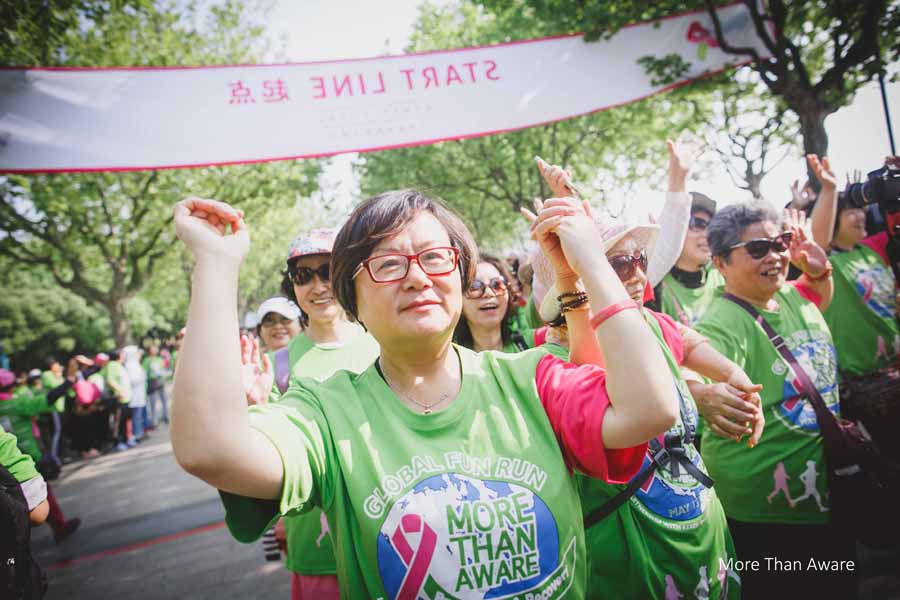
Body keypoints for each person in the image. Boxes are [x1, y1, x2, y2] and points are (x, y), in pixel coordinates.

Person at [172, 190, 679, 598]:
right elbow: (211, 448)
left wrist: (589, 261)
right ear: (353, 300)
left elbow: (649, 409)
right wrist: (216, 263)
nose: (417, 277)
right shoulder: (326, 411)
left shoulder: (531, 380)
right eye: (388, 265)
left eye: (435, 258)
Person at [526, 199, 762, 599]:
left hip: (704, 540)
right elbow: (607, 385)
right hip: (635, 558)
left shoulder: (649, 324)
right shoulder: (552, 367)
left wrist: (736, 378)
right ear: (581, 277)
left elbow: (685, 340)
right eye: (619, 264)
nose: (639, 273)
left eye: (639, 258)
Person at [695, 202, 853, 597]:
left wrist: (820, 269)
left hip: (825, 494)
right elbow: (689, 365)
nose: (776, 255)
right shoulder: (723, 323)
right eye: (758, 248)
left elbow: (818, 294)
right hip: (765, 513)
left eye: (780, 243)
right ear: (721, 263)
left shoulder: (791, 296)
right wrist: (701, 393)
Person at [250, 228, 380, 599]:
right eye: (303, 276)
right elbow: (269, 457)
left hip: (392, 531)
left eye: (327, 270)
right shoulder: (275, 365)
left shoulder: (385, 340)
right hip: (316, 542)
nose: (318, 285)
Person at [0, 367, 81, 542]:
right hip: (25, 457)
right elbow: (47, 399)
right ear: (12, 386)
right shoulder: (18, 403)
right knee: (42, 495)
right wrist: (68, 382)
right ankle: (60, 528)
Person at [651, 192, 724, 327]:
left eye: (712, 227)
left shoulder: (724, 279)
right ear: (675, 230)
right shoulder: (655, 287)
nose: (707, 234)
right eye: (698, 224)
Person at [453, 253, 534, 352]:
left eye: (497, 284)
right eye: (474, 286)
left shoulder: (534, 344)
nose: (489, 293)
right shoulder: (448, 360)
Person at [123, 346, 147, 442]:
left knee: (139, 415)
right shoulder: (130, 365)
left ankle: (140, 432)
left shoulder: (135, 364)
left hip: (139, 393)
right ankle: (137, 434)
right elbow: (133, 380)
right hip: (134, 395)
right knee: (136, 416)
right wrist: (142, 378)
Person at [143, 344, 169, 427]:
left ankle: (165, 416)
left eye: (156, 348)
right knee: (153, 402)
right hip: (152, 382)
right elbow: (144, 372)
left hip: (160, 380)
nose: (155, 350)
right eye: (153, 349)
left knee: (164, 400)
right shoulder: (146, 360)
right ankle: (154, 420)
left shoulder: (159, 359)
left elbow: (163, 369)